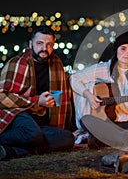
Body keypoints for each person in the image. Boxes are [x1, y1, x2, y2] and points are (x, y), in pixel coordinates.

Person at [0, 26, 74, 161]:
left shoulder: (56, 63)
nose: (44, 48)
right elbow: (2, 96)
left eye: (49, 44)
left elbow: (62, 97)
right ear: (30, 44)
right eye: (39, 43)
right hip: (18, 114)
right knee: (32, 134)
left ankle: (11, 151)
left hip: (41, 124)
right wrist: (36, 101)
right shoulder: (17, 63)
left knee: (67, 138)